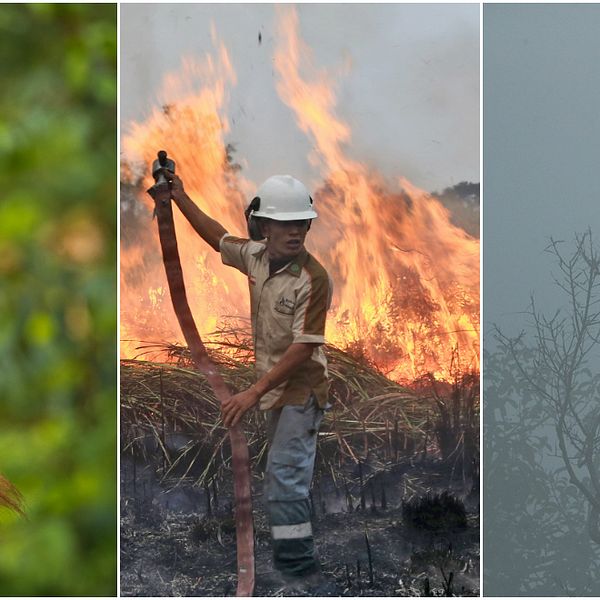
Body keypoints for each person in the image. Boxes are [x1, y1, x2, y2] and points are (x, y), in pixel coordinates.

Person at [168, 172, 333, 585]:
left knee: (285, 473)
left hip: (300, 388)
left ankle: (299, 574)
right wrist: (179, 196)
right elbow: (217, 237)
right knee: (284, 473)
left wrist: (252, 391)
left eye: (301, 223)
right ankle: (291, 560)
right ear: (263, 226)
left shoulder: (313, 279)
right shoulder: (256, 257)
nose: (295, 231)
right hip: (272, 388)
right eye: (285, 223)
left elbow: (303, 347)